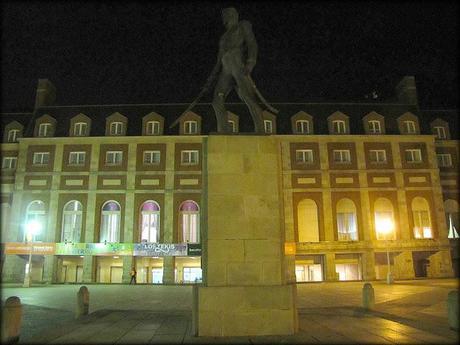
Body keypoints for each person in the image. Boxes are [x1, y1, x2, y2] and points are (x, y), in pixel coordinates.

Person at [211, 7, 265, 133]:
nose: (226, 17)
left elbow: (252, 43)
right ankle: (223, 130)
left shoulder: (242, 26)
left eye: (228, 14)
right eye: (225, 15)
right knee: (216, 100)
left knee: (247, 96)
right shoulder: (223, 38)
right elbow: (219, 60)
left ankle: (260, 129)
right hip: (226, 68)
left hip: (238, 65)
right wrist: (211, 77)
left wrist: (251, 62)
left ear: (234, 15)